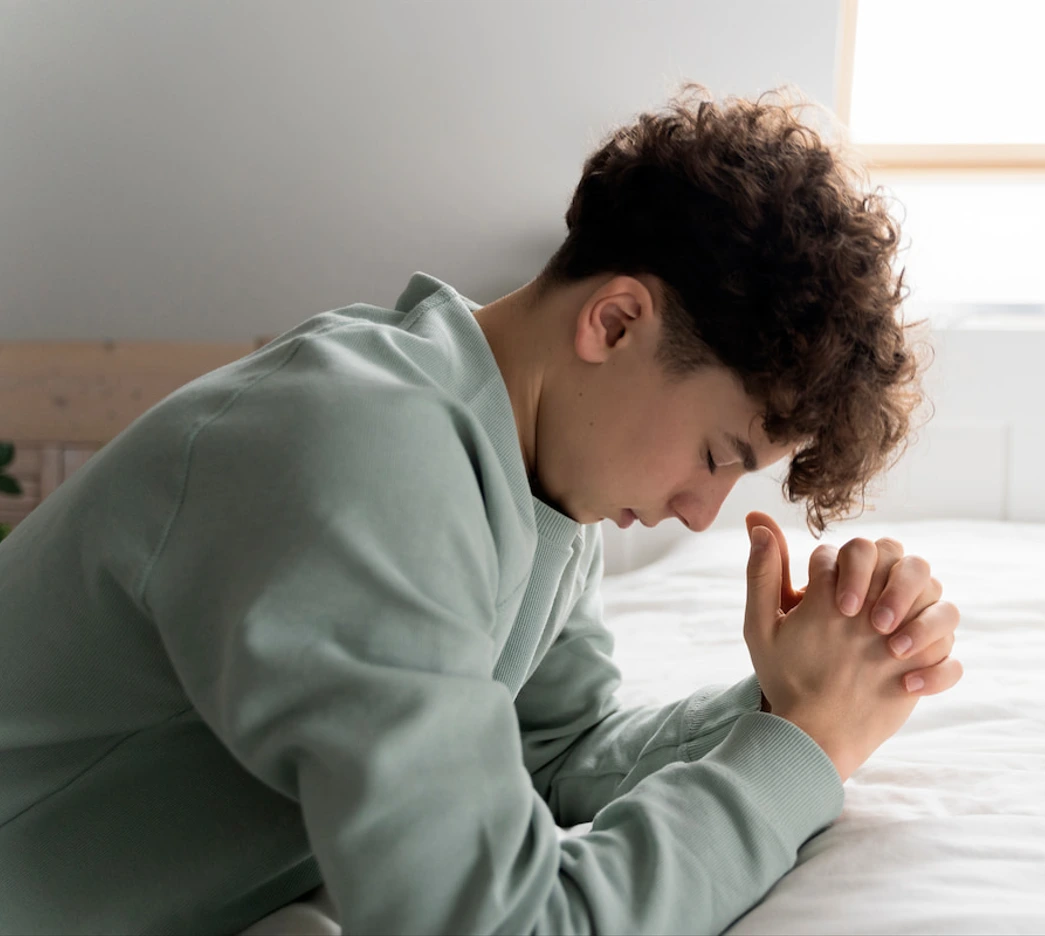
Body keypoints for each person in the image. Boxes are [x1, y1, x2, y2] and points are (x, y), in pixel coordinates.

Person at [0, 85, 962, 935]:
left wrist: (788, 696)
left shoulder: (526, 468)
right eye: (716, 455)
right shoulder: (363, 457)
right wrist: (798, 755)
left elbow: (555, 756)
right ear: (616, 321)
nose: (699, 513)